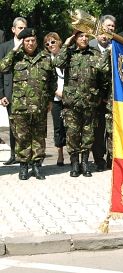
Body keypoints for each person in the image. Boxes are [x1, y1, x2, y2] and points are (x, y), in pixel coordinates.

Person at [53, 29, 110, 178]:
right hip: (72, 102)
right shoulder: (70, 53)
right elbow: (58, 63)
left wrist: (100, 95)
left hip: (90, 102)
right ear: (75, 38)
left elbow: (104, 74)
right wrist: (66, 44)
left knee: (88, 134)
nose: (84, 39)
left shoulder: (95, 54)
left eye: (86, 36)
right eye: (80, 36)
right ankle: (74, 163)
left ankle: (85, 163)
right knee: (72, 134)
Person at [0, 28, 55, 180]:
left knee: (39, 138)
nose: (30, 43)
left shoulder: (44, 57)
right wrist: (14, 49)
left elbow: (52, 80)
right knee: (22, 137)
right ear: (22, 42)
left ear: (36, 42)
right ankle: (23, 166)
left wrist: (50, 99)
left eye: (33, 41)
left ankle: (37, 166)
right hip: (20, 106)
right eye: (27, 41)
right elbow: (3, 67)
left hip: (40, 106)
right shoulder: (16, 57)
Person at [90, 15, 116, 172]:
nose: (110, 29)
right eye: (108, 26)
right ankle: (99, 159)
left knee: (113, 131)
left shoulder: (118, 47)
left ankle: (112, 160)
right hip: (96, 97)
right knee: (98, 131)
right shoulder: (91, 46)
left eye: (113, 26)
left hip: (114, 97)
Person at [0, 16, 27, 166]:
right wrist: (1, 94)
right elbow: (0, 73)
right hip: (11, 93)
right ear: (13, 29)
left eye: (25, 28)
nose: (23, 30)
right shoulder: (4, 47)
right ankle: (13, 154)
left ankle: (27, 154)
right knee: (13, 125)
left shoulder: (30, 45)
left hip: (27, 92)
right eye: (20, 28)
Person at [44, 32, 66, 166]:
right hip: (56, 98)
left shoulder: (68, 55)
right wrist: (56, 92)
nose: (50, 45)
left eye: (53, 42)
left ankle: (76, 156)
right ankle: (60, 155)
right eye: (47, 44)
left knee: (73, 128)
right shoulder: (47, 60)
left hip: (71, 97)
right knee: (58, 128)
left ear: (59, 41)